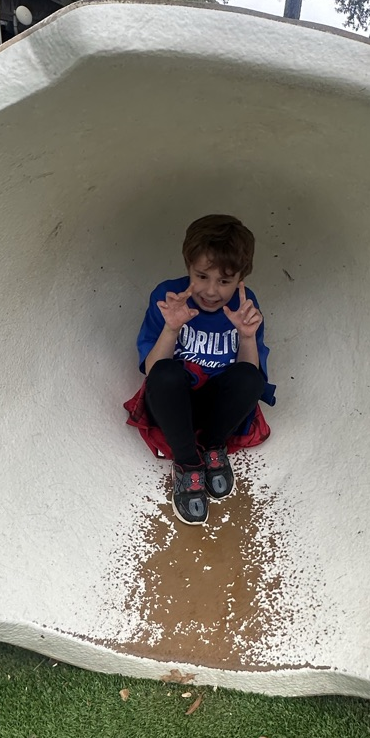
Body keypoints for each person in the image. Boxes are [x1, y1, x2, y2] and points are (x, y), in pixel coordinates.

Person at [125, 215, 275, 526]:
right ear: (188, 266)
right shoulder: (169, 297)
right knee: (166, 373)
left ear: (241, 278)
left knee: (251, 379)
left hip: (216, 409)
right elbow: (153, 370)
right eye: (202, 276)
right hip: (173, 403)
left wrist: (247, 336)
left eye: (224, 281)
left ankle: (213, 446)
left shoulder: (244, 304)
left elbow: (248, 375)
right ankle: (187, 464)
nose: (210, 290)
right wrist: (171, 328)